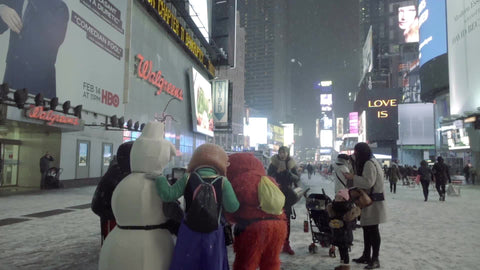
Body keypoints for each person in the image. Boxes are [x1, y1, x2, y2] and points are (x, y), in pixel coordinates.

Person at [154, 143, 239, 270]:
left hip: (189, 231)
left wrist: (159, 177)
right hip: (213, 234)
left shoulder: (188, 178)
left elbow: (168, 195)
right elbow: (233, 207)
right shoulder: (223, 181)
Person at [225, 152, 287, 270]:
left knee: (246, 263)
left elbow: (232, 207)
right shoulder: (268, 180)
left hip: (254, 228)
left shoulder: (239, 181)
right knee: (271, 262)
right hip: (279, 225)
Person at [0, 0, 69, 98]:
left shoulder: (59, 7)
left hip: (38, 89)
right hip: (11, 82)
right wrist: (1, 8)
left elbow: (54, 41)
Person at [344, 142, 386, 269]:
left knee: (373, 230)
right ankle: (366, 255)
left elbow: (368, 182)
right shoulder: (371, 161)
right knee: (367, 230)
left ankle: (375, 259)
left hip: (372, 202)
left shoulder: (369, 163)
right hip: (369, 202)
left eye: (356, 152)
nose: (355, 155)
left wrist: (353, 177)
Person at [91, 141, 134, 245]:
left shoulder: (125, 172)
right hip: (113, 221)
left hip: (119, 222)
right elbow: (98, 204)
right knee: (112, 247)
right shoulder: (117, 174)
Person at [267, 146, 300, 255]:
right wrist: (277, 172)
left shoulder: (291, 164)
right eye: (281, 152)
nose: (282, 154)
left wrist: (288, 172)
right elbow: (268, 177)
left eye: (284, 152)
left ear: (287, 153)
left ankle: (286, 244)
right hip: (275, 194)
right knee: (275, 219)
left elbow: (297, 178)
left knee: (287, 221)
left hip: (287, 196)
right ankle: (275, 244)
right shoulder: (273, 164)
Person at [327, 189, 361, 270]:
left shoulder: (349, 209)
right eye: (336, 197)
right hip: (337, 235)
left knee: (345, 252)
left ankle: (346, 266)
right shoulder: (333, 208)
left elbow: (352, 224)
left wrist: (343, 224)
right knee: (341, 251)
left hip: (345, 235)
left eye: (339, 198)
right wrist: (331, 223)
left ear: (344, 199)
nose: (336, 199)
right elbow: (330, 219)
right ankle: (342, 265)